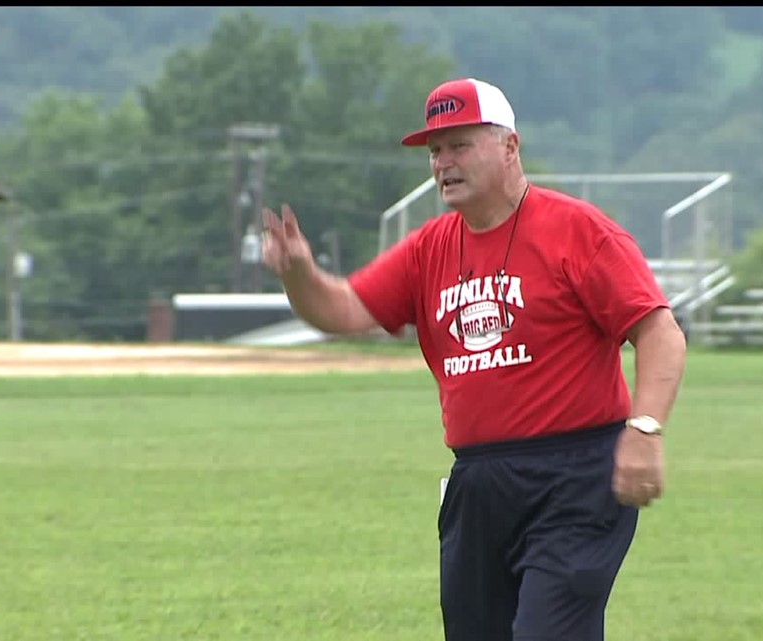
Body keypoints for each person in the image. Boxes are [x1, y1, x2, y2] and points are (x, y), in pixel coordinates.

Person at [261, 77, 687, 641]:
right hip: (479, 480)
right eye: (435, 151)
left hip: (576, 475)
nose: (443, 163)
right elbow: (341, 309)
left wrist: (645, 430)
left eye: (460, 145)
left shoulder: (578, 231)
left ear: (510, 146)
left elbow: (659, 331)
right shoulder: (429, 247)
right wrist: (298, 274)